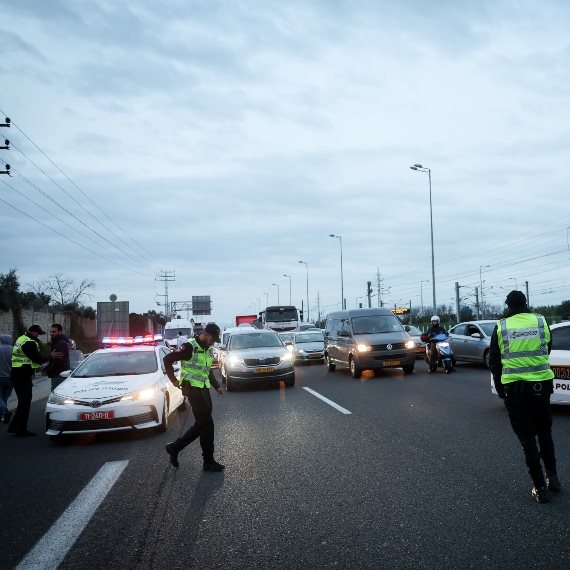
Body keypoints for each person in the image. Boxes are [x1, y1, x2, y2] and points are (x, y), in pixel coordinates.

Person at [489, 290, 560, 504]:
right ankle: (553, 478)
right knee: (545, 432)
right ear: (525, 303)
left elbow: (495, 361)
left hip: (515, 391)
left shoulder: (502, 326)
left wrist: (502, 390)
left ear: (508, 306)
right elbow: (547, 348)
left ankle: (540, 488)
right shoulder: (540, 321)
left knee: (527, 438)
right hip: (541, 386)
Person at [163, 323, 225, 471]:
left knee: (202, 424)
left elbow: (207, 371)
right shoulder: (189, 347)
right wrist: (173, 380)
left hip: (204, 389)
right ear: (206, 334)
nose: (213, 342)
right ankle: (208, 461)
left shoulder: (209, 351)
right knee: (207, 424)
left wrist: (216, 386)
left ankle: (175, 447)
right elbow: (167, 360)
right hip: (192, 389)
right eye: (212, 338)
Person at [8, 325, 62, 437]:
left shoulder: (21, 339)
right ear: (33, 333)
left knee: (24, 402)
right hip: (22, 375)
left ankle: (15, 427)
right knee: (25, 402)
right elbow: (39, 359)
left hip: (18, 374)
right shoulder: (29, 342)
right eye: (38, 334)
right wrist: (51, 356)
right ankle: (20, 429)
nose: (38, 336)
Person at [45, 323, 70, 391]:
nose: (51, 333)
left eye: (54, 332)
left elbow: (57, 359)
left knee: (56, 393)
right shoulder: (57, 341)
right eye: (50, 331)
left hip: (58, 374)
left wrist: (49, 369)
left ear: (60, 332)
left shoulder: (60, 343)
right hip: (58, 373)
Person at [0, 334, 13, 424]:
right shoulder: (13, 350)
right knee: (5, 397)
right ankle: (4, 413)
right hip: (10, 378)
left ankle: (5, 411)